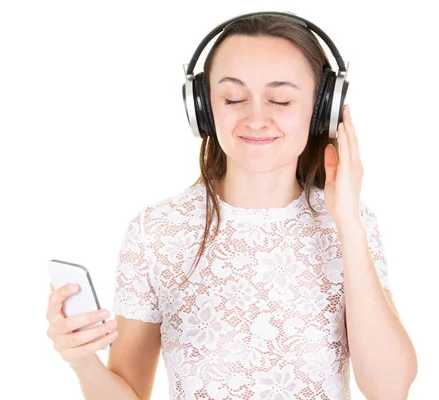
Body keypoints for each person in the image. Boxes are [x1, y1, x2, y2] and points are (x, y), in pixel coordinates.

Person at [45, 13, 417, 399]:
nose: (256, 119)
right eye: (234, 98)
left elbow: (390, 389)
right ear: (203, 108)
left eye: (281, 99)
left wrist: (349, 225)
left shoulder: (351, 225)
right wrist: (83, 362)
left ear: (321, 107)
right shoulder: (156, 232)